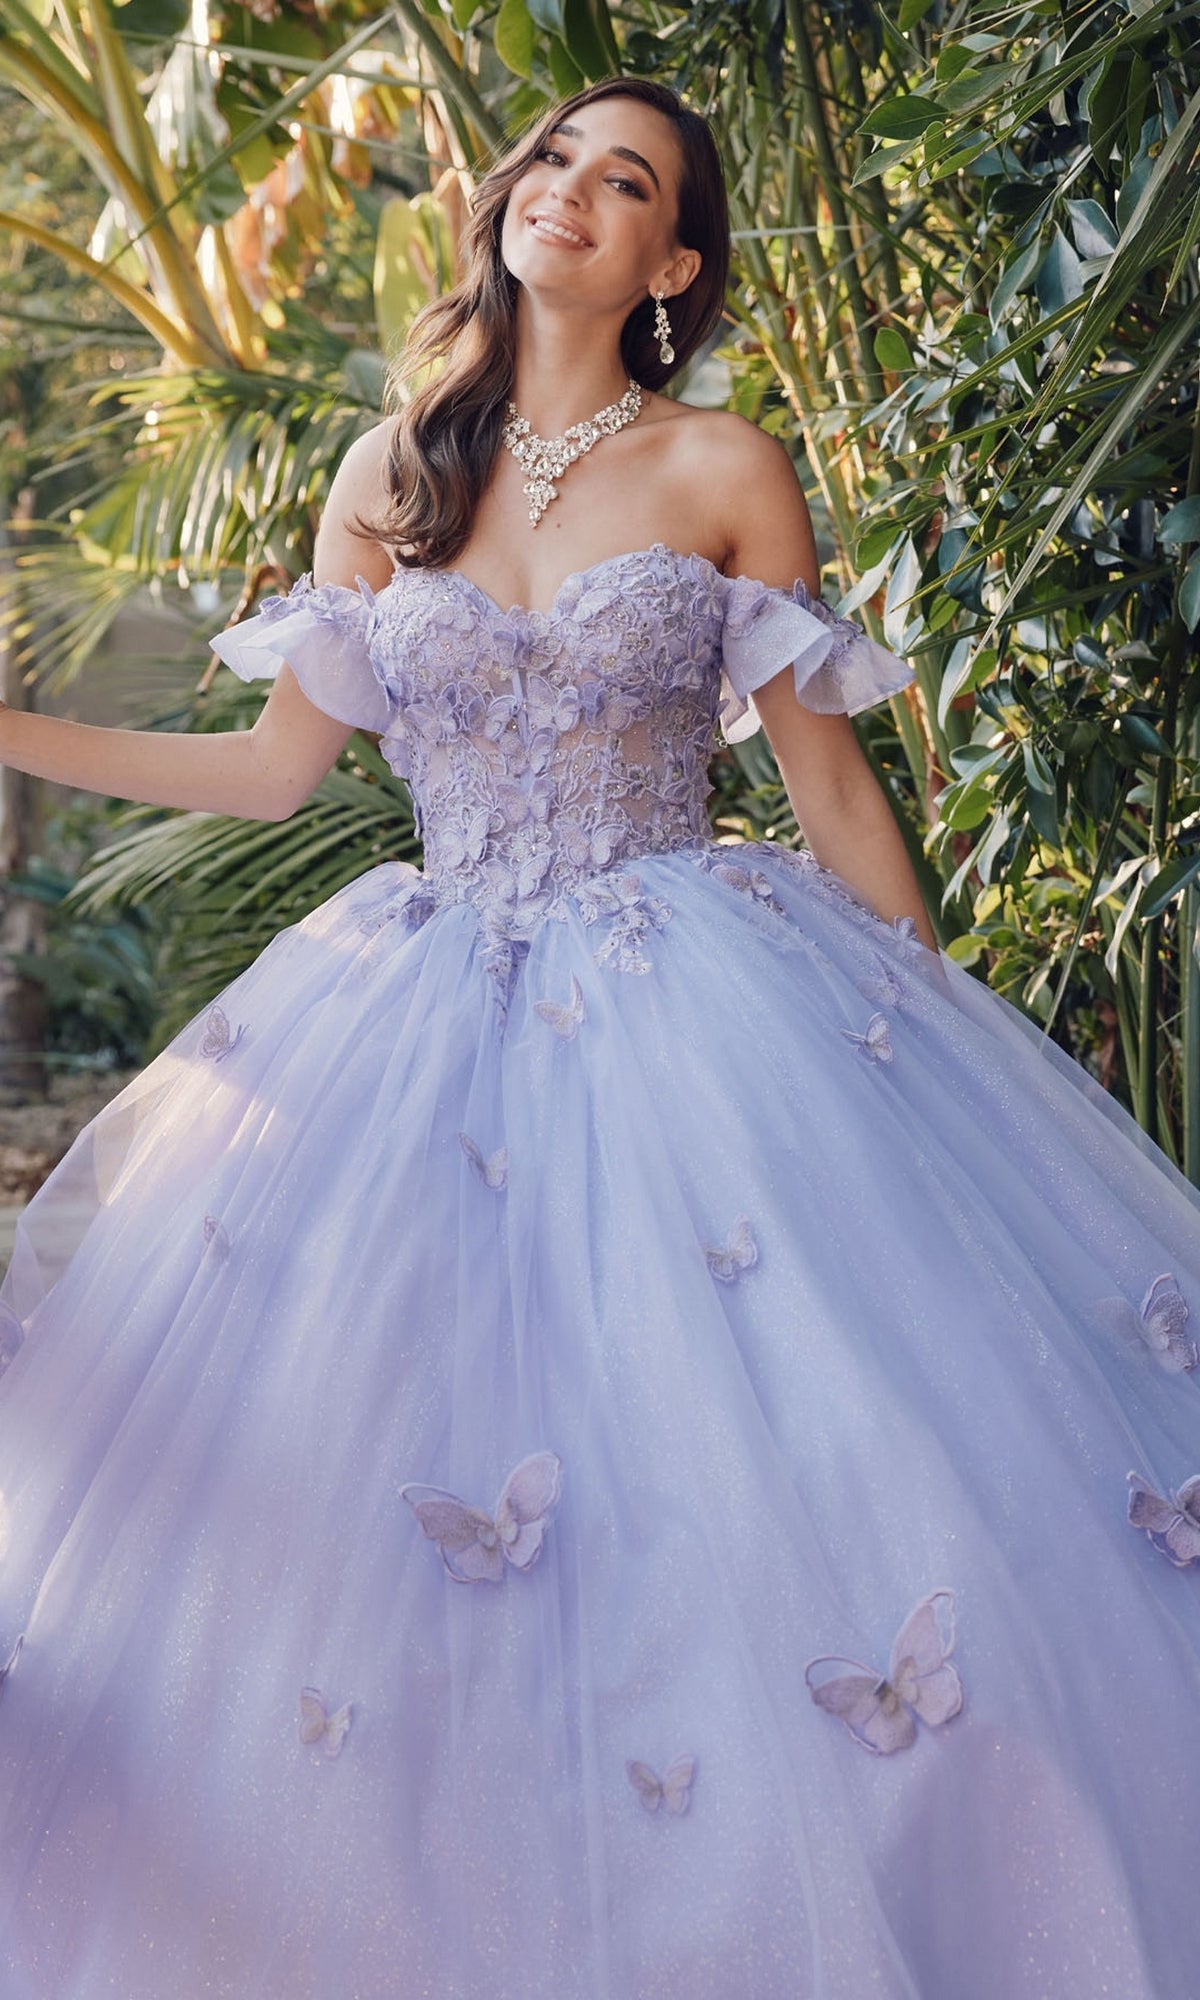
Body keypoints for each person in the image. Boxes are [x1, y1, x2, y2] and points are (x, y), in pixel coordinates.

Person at [0, 74, 1198, 2000]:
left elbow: (830, 793)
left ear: (671, 265)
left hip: (700, 998)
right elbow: (271, 767)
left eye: (621, 179)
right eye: (553, 154)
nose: (568, 188)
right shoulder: (395, 473)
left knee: (759, 1476)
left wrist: (935, 1065)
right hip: (417, 1004)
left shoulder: (725, 465)